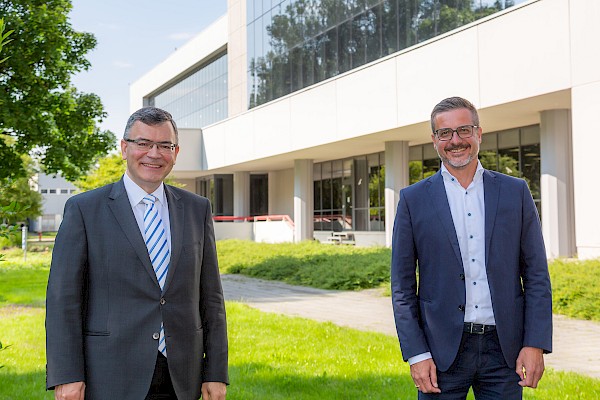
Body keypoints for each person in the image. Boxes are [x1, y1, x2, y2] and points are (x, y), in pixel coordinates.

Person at [46, 107, 228, 400]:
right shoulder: (84, 210)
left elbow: (212, 298)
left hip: (182, 376)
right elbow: (62, 300)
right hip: (108, 375)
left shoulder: (197, 209)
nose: (153, 154)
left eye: (164, 145)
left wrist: (216, 372)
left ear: (176, 151)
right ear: (124, 147)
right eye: (143, 143)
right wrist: (67, 375)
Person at [390, 97, 552, 399]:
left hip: (504, 351)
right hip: (439, 353)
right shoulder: (413, 200)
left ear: (478, 133)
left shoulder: (515, 192)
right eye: (445, 133)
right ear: (435, 141)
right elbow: (401, 286)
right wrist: (416, 353)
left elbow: (537, 275)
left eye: (464, 130)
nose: (455, 141)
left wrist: (535, 343)